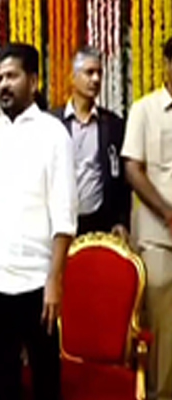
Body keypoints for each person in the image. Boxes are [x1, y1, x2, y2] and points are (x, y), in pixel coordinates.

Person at [0, 43, 78, 400]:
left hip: (37, 282)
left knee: (45, 379)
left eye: (12, 76)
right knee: (3, 380)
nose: (4, 85)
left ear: (33, 80)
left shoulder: (54, 134)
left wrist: (54, 280)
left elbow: (64, 217)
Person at [122, 36, 172, 400]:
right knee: (163, 331)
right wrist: (168, 213)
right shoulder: (145, 110)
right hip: (159, 238)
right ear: (167, 65)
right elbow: (132, 170)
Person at [53, 46, 131, 238]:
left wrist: (121, 221)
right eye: (89, 73)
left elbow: (121, 180)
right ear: (73, 78)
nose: (95, 79)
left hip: (100, 223)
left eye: (99, 73)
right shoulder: (53, 123)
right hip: (60, 223)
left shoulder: (113, 124)